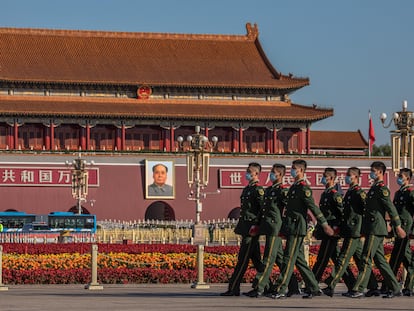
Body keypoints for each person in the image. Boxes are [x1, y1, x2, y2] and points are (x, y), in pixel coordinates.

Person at [270, 159, 334, 299]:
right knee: (299, 260)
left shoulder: (304, 188)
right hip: (291, 227)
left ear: (301, 171)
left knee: (288, 258)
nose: (292, 170)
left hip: (297, 228)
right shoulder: (294, 187)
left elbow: (313, 207)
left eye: (294, 168)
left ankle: (281, 289)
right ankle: (314, 287)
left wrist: (324, 224)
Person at [348, 161, 406, 299]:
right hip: (371, 227)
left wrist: (397, 225)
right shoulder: (374, 188)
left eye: (373, 170)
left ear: (380, 172)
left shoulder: (382, 189)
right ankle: (395, 288)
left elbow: (390, 208)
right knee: (380, 260)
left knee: (366, 258)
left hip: (376, 228)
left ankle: (359, 288)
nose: (371, 173)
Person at [245, 163, 300, 298]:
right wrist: (257, 224)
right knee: (280, 259)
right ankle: (293, 286)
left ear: (280, 175)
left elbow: (291, 210)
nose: (270, 174)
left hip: (276, 228)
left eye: (273, 172)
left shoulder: (283, 191)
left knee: (268, 258)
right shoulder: (269, 190)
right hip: (268, 226)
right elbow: (263, 210)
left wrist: (286, 227)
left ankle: (259, 287)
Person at [322, 167, 378, 297]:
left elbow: (368, 210)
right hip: (350, 230)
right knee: (359, 259)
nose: (347, 177)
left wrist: (364, 227)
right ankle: (373, 286)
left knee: (343, 258)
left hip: (354, 230)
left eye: (349, 175)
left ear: (356, 177)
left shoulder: (359, 193)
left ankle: (331, 284)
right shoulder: (350, 192)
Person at [220, 162, 265, 296]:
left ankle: (234, 288)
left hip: (251, 230)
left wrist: (256, 225)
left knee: (243, 259)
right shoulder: (248, 189)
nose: (247, 173)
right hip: (245, 227)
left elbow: (263, 209)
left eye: (249, 171)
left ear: (256, 173)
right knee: (257, 261)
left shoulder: (258, 190)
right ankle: (268, 286)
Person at [381, 168, 414, 296]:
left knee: (395, 257)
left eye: (401, 176)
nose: (398, 178)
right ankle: (408, 287)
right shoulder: (398, 193)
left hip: (405, 228)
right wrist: (391, 225)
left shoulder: (410, 193)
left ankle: (389, 286)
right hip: (398, 227)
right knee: (407, 259)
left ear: (407, 178)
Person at [312, 167, 345, 284]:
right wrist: (317, 228)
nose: (322, 179)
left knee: (322, 257)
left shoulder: (335, 195)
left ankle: (312, 282)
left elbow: (342, 213)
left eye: (325, 176)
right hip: (326, 230)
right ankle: (351, 283)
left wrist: (337, 228)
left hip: (332, 231)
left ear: (331, 178)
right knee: (336, 259)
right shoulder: (325, 194)